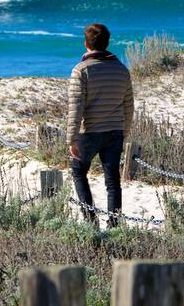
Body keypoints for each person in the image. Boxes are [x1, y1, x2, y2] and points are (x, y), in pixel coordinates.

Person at [67, 23, 134, 228]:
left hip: (90, 132)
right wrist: (125, 130)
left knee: (78, 171)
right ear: (107, 43)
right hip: (115, 130)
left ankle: (90, 221)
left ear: (86, 43)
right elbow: (128, 104)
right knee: (112, 180)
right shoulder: (122, 69)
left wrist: (71, 138)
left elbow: (75, 107)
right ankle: (114, 224)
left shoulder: (81, 70)